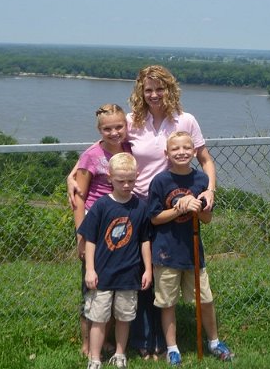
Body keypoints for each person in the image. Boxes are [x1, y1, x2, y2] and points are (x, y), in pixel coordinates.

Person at [68, 65, 217, 359]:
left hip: (171, 205)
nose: (154, 95)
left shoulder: (186, 120)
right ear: (141, 91)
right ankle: (141, 341)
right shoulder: (133, 120)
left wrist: (209, 190)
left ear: (170, 89)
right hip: (134, 205)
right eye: (148, 89)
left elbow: (205, 159)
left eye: (160, 88)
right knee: (136, 273)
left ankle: (159, 342)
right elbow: (103, 143)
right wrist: (74, 171)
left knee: (159, 274)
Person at [148, 131, 233, 365]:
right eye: (175, 149)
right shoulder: (160, 181)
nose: (181, 152)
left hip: (193, 252)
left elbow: (207, 219)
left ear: (194, 152)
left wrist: (199, 207)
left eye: (186, 148)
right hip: (166, 253)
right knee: (168, 302)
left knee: (205, 298)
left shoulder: (201, 181)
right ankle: (172, 348)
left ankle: (214, 341)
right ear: (166, 153)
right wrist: (179, 208)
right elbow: (154, 218)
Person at [77, 152, 153, 369]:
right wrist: (90, 270)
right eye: (121, 181)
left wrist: (147, 269)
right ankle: (94, 357)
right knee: (99, 318)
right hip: (102, 274)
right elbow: (90, 240)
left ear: (137, 176)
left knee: (124, 317)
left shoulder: (140, 207)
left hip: (129, 275)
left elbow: (145, 241)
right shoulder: (101, 206)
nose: (126, 185)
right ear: (109, 178)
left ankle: (120, 354)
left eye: (131, 180)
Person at [71, 103, 131, 356]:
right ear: (99, 130)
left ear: (126, 126)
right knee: (93, 286)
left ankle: (106, 340)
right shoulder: (92, 156)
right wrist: (81, 235)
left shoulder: (128, 149)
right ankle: (87, 344)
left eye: (119, 127)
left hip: (122, 226)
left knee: (116, 283)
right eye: (108, 129)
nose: (114, 132)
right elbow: (79, 198)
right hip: (95, 228)